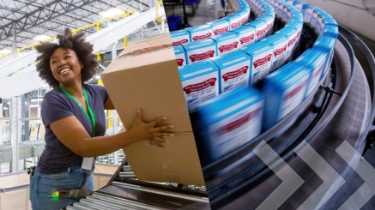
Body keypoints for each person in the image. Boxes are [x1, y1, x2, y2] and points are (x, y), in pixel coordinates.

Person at [29, 28, 175, 210]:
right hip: (54, 185)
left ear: (81, 62)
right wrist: (134, 135)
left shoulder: (95, 92)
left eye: (67, 57)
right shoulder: (53, 100)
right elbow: (83, 146)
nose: (61, 63)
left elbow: (133, 100)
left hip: (86, 176)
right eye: (54, 62)